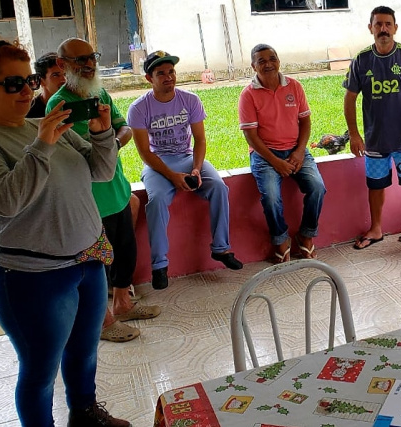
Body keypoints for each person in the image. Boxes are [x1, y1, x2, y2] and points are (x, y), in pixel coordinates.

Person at [0, 40, 130, 426]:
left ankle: (85, 414)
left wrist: (103, 133)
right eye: (13, 84)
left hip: (86, 262)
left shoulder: (46, 124)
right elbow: (5, 201)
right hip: (30, 276)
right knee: (40, 370)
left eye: (30, 80)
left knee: (85, 350)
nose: (26, 91)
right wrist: (40, 147)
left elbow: (100, 171)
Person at [50, 38, 161, 343]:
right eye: (79, 60)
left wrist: (109, 143)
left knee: (125, 252)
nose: (88, 65)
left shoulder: (100, 93)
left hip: (117, 191)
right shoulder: (57, 104)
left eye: (91, 57)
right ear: (62, 65)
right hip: (88, 201)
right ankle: (103, 322)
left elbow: (123, 127)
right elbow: (73, 156)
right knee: (95, 265)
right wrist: (103, 146)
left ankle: (123, 304)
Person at [127, 50, 243, 290]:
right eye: (161, 73)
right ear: (149, 78)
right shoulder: (139, 108)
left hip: (188, 158)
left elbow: (200, 141)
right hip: (158, 163)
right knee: (157, 200)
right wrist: (172, 176)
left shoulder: (190, 100)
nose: (168, 77)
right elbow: (145, 154)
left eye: (171, 72)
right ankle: (160, 265)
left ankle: (221, 248)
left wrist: (197, 169)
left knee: (219, 187)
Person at [343, 6, 401, 255]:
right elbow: (349, 98)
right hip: (374, 140)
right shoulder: (361, 60)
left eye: (387, 24)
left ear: (395, 27)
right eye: (378, 24)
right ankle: (376, 229)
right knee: (376, 185)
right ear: (370, 28)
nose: (383, 29)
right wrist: (354, 134)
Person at [239, 44, 326, 263]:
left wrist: (298, 152)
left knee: (317, 188)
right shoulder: (248, 95)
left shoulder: (294, 86)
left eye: (272, 58)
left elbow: (305, 121)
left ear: (279, 61)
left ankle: (306, 236)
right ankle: (280, 240)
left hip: (297, 150)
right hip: (265, 155)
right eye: (261, 61)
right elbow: (251, 136)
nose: (268, 64)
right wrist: (276, 162)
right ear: (253, 66)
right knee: (270, 197)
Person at [27, 51, 65, 118]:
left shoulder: (73, 102)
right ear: (41, 81)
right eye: (56, 75)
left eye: (65, 74)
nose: (64, 80)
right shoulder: (30, 112)